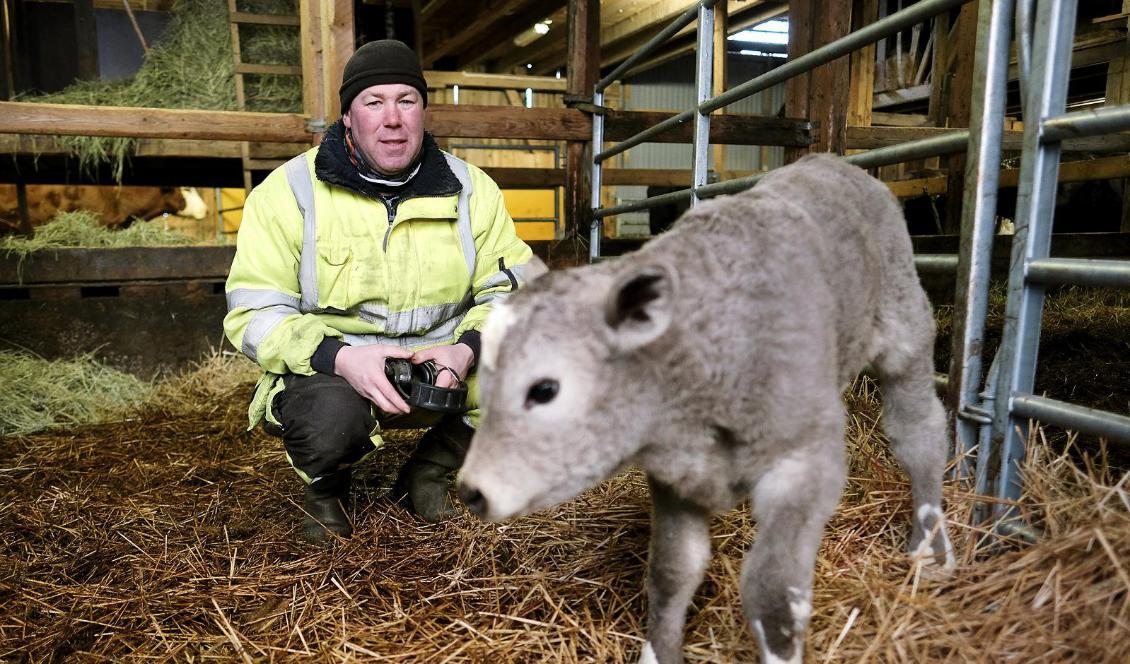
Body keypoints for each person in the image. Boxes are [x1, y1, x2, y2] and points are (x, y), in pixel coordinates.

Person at [223, 39, 535, 544]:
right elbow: (253, 312)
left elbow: (516, 292)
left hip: (445, 368)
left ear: (423, 111)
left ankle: (427, 475)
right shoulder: (288, 192)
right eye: (374, 102)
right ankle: (327, 491)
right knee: (329, 419)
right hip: (342, 373)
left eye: (406, 101)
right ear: (349, 117)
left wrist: (465, 348)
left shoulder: (472, 188)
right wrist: (340, 358)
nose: (393, 119)